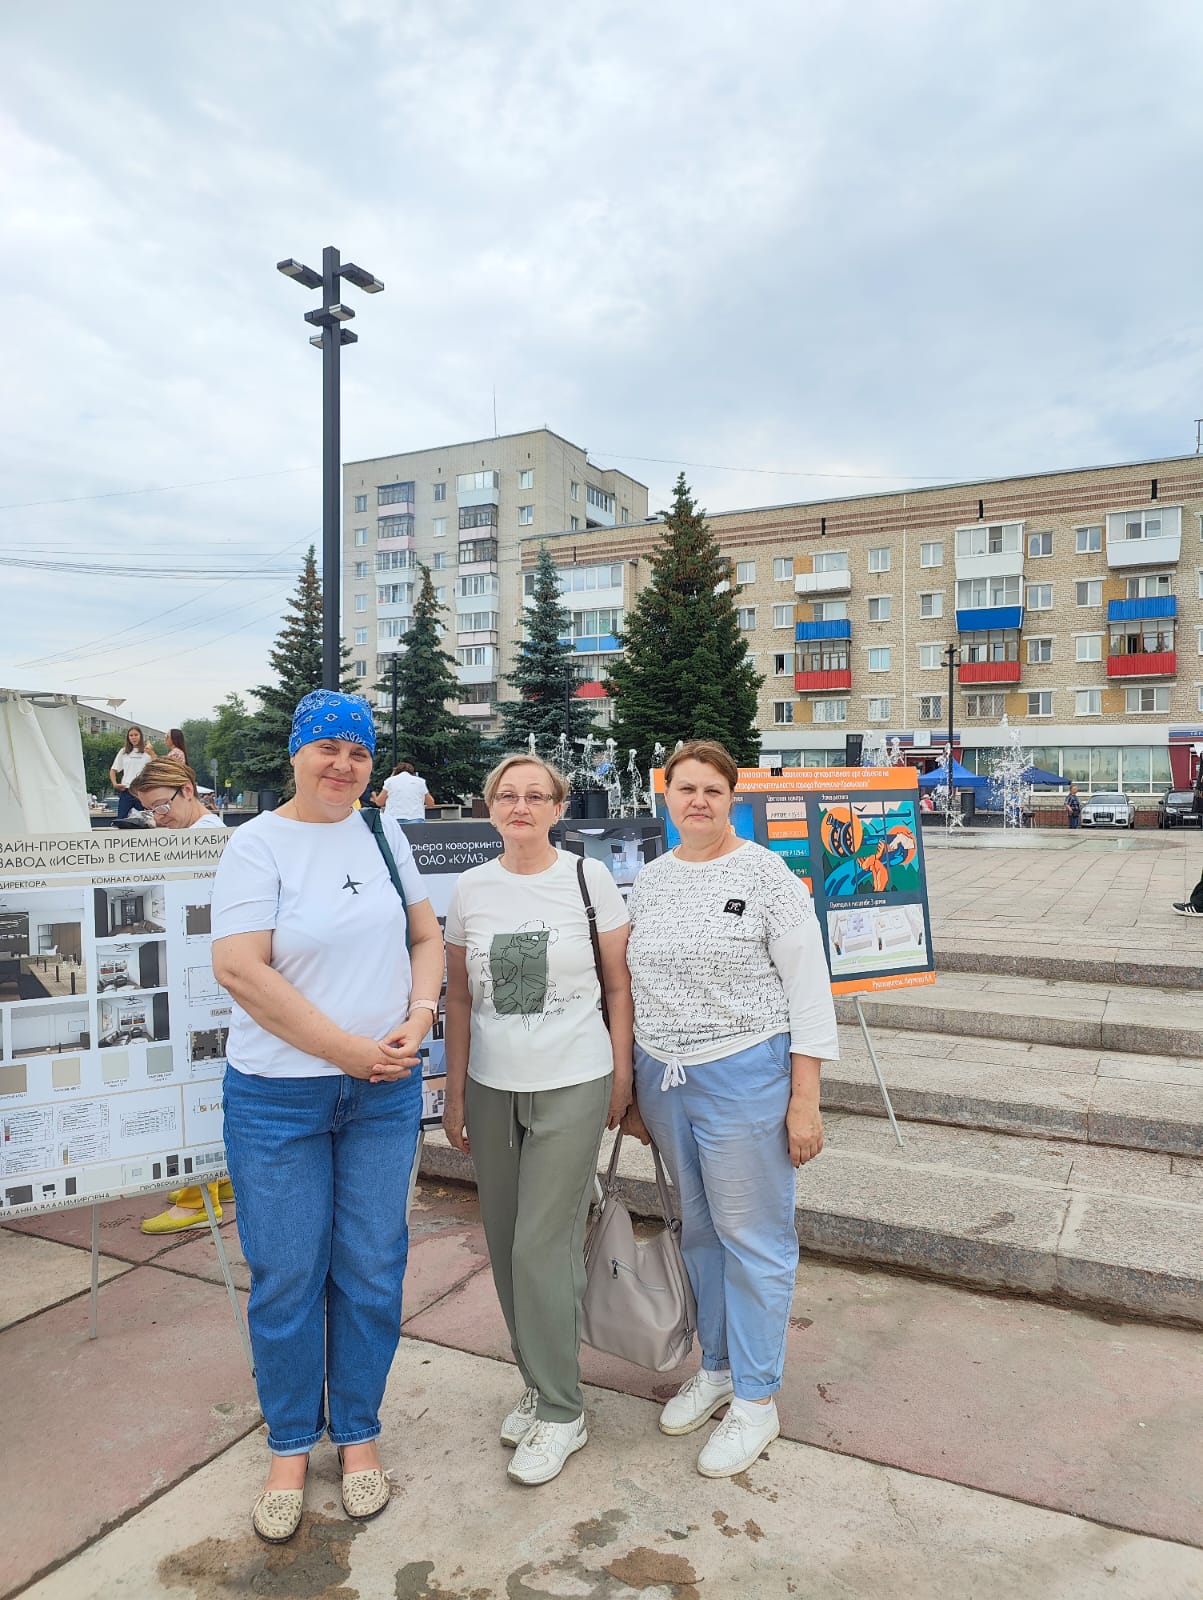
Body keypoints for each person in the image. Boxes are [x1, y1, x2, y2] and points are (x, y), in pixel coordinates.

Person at [209, 690, 444, 1544]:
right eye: (326, 748)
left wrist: (419, 1014)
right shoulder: (256, 844)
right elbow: (240, 968)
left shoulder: (382, 833)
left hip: (382, 1093)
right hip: (280, 1098)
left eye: (357, 750)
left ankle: (357, 1432)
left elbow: (426, 938)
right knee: (287, 1275)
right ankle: (288, 1445)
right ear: (296, 754)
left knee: (372, 1269)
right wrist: (342, 1049)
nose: (341, 764)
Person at [622, 739, 839, 1479]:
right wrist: (631, 1088)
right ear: (666, 796)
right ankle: (714, 1366)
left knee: (754, 1238)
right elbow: (634, 983)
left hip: (745, 1073)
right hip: (665, 1078)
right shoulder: (651, 880)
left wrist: (804, 1099)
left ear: (731, 800)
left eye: (712, 790)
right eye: (685, 788)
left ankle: (755, 1396)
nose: (698, 801)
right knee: (700, 1233)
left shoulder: (767, 875)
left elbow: (809, 992)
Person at [442, 754, 632, 1487]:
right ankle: (538, 1376)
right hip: (493, 1086)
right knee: (504, 1243)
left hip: (573, 1080)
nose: (519, 806)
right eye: (506, 795)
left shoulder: (588, 879)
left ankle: (561, 1409)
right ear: (489, 806)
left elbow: (618, 986)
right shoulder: (470, 889)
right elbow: (461, 998)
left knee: (540, 1247)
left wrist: (622, 1076)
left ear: (558, 807)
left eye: (535, 795)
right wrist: (455, 1092)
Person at [126, 759, 229, 1232]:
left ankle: (196, 1198)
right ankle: (219, 1181)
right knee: (211, 1083)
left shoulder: (200, 840)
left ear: (188, 790)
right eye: (149, 811)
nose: (157, 817)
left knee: (196, 1085)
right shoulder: (208, 833)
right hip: (207, 977)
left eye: (161, 806)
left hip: (200, 978)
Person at [109, 726, 155, 819]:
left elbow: (157, 766)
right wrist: (115, 784)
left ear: (140, 736)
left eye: (136, 735)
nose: (133, 737)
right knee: (121, 818)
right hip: (127, 790)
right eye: (131, 735)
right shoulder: (124, 751)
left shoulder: (147, 751)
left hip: (142, 790)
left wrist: (152, 753)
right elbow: (113, 770)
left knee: (146, 819)